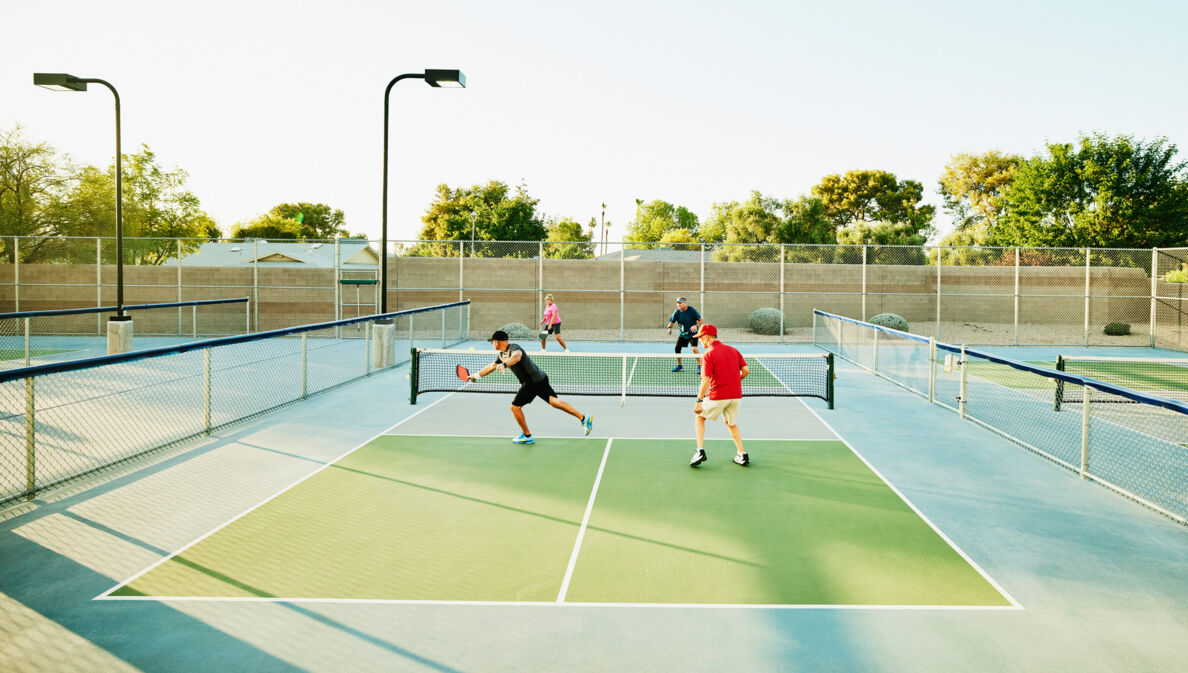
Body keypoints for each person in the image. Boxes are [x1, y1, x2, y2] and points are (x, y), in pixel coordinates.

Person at [468, 329, 593, 444]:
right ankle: (583, 418)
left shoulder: (514, 348)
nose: (492, 344)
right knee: (554, 402)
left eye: (493, 342)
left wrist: (505, 365)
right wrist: (476, 376)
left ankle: (527, 436)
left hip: (532, 381)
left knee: (515, 408)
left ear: (497, 342)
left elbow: (516, 357)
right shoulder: (501, 355)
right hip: (540, 377)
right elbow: (491, 367)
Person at [688, 324, 750, 467]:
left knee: (700, 417)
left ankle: (700, 451)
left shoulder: (708, 354)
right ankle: (742, 453)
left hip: (719, 395)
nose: (699, 341)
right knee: (730, 423)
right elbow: (746, 370)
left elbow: (706, 379)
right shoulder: (733, 350)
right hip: (735, 396)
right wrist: (735, 380)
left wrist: (699, 401)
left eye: (701, 338)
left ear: (707, 337)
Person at [665, 296, 703, 373]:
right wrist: (669, 328)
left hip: (693, 334)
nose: (678, 305)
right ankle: (679, 366)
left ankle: (700, 365)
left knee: (694, 349)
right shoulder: (677, 312)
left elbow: (701, 320)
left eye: (680, 303)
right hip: (683, 334)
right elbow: (671, 322)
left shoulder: (692, 310)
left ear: (684, 303)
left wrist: (696, 325)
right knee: (677, 349)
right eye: (677, 303)